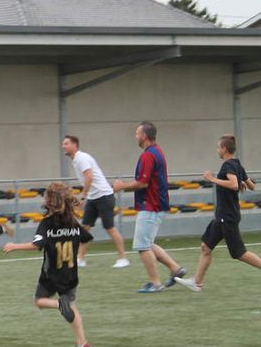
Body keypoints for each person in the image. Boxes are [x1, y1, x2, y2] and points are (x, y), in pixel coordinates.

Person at [3, 182, 94, 347]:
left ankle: (59, 304)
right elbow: (86, 237)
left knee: (39, 301)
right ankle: (82, 344)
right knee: (72, 307)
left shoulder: (47, 223)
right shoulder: (73, 223)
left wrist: (15, 245)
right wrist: (78, 254)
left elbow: (36, 245)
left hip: (51, 275)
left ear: (49, 201)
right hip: (71, 275)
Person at [175, 135, 261, 292]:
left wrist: (212, 179)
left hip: (227, 217)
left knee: (239, 253)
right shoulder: (237, 164)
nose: (217, 150)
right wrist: (242, 182)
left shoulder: (228, 165)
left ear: (224, 149)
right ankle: (197, 283)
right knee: (206, 247)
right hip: (223, 216)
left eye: (218, 147)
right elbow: (251, 186)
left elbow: (234, 185)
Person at [112, 121, 185, 293]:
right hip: (155, 203)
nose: (135, 136)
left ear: (144, 136)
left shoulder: (148, 155)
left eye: (137, 133)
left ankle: (155, 283)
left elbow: (142, 183)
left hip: (151, 205)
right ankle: (176, 269)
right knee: (147, 243)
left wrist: (121, 186)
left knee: (142, 245)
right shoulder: (156, 151)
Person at [61, 135, 130, 269]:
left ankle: (123, 258)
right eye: (63, 144)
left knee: (109, 228)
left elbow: (89, 176)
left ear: (74, 145)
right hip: (94, 197)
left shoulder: (81, 158)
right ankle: (80, 259)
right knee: (85, 228)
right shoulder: (76, 160)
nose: (63, 146)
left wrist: (83, 196)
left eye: (66, 144)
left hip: (103, 196)